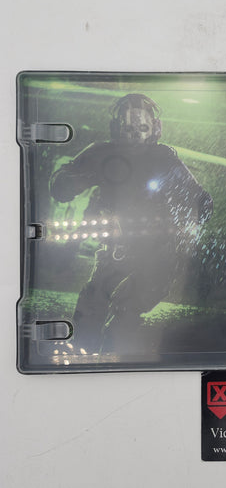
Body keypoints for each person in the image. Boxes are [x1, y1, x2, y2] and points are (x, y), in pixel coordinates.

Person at [50, 93, 213, 353]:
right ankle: (84, 356)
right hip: (117, 250)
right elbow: (63, 183)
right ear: (117, 128)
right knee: (92, 303)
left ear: (154, 128)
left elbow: (200, 201)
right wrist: (67, 182)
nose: (135, 134)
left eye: (142, 128)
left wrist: (186, 226)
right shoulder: (102, 153)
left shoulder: (164, 159)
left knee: (126, 308)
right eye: (129, 128)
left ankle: (113, 354)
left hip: (157, 255)